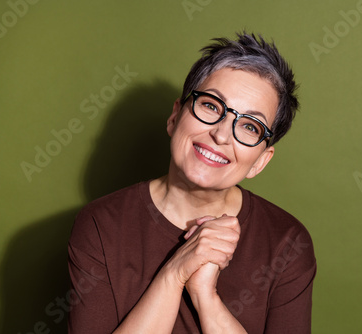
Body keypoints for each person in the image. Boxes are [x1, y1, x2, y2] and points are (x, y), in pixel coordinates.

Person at [68, 32, 316, 333]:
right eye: (211, 106)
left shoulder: (286, 243)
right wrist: (174, 273)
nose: (221, 135)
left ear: (261, 161)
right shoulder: (100, 224)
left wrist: (205, 296)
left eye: (250, 126)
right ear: (175, 116)